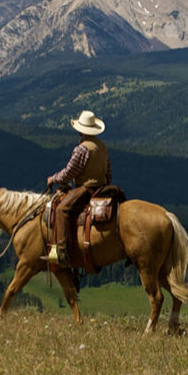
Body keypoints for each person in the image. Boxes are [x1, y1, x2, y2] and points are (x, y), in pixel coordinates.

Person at [45, 110, 112, 266]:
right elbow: (109, 172)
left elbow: (69, 172)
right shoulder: (102, 146)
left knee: (61, 210)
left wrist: (53, 179)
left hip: (86, 188)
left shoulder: (82, 149)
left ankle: (61, 252)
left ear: (81, 130)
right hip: (103, 188)